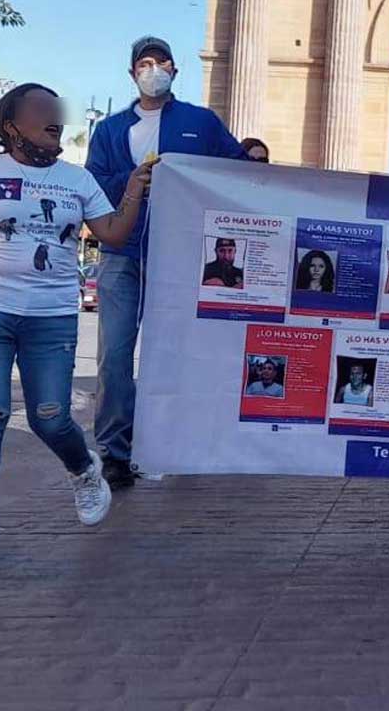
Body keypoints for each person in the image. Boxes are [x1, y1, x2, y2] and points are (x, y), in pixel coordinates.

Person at [0, 82, 154, 567]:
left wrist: (131, 191)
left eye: (58, 111)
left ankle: (83, 468)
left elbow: (111, 232)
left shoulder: (77, 179)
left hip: (50, 317)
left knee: (50, 416)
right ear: (11, 125)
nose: (56, 117)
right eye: (43, 110)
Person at [86, 35, 249, 490]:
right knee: (115, 355)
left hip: (181, 254)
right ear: (132, 72)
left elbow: (236, 170)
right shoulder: (110, 130)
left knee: (180, 354)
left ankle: (180, 441)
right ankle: (115, 450)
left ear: (175, 71)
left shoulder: (202, 122)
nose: (153, 68)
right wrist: (138, 179)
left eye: (161, 62)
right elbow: (94, 184)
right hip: (122, 252)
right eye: (144, 62)